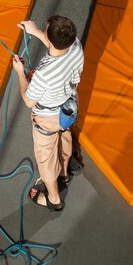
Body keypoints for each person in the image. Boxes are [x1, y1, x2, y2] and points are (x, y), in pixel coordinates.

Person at [12, 15, 84, 211]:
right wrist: (35, 31)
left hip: (47, 118)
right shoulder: (75, 45)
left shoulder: (44, 75)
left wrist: (19, 72)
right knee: (64, 135)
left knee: (46, 160)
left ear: (50, 40)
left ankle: (53, 199)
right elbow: (56, 46)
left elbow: (28, 100)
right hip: (68, 106)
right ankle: (65, 173)